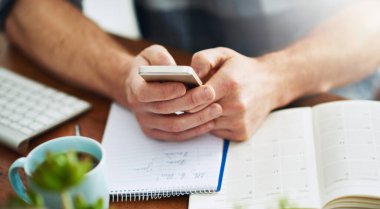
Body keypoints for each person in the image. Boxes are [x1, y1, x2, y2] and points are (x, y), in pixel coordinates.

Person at [1, 0, 380, 142]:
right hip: (178, 129)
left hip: (329, 109)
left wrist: (277, 77)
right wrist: (122, 77)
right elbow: (23, 9)